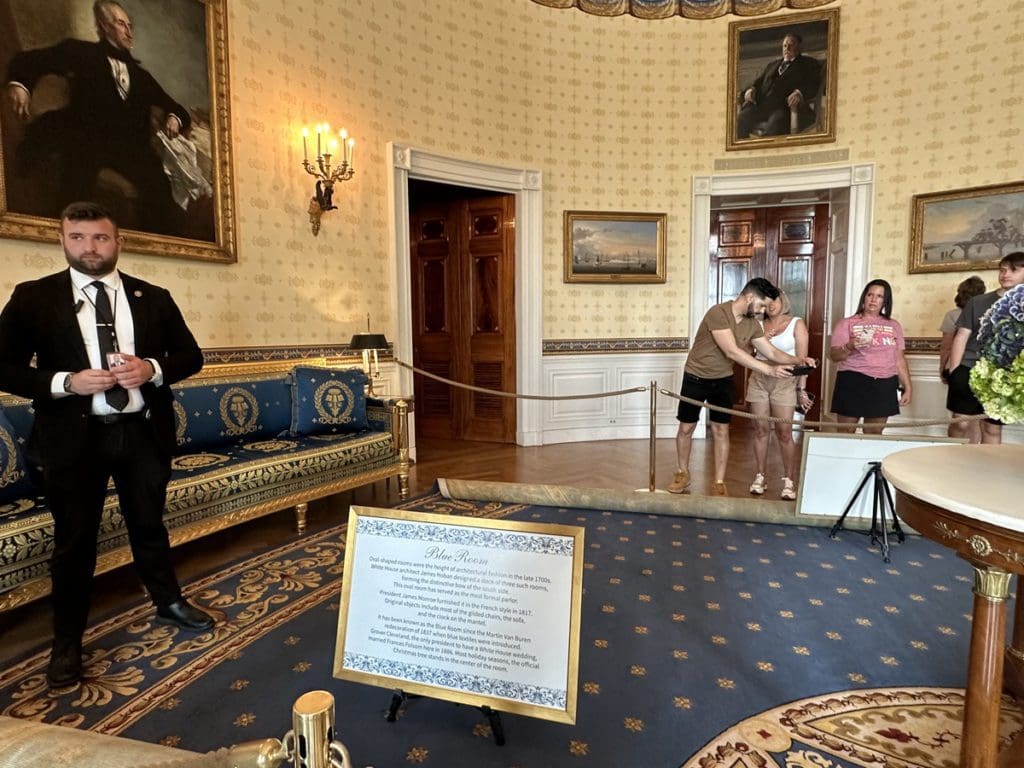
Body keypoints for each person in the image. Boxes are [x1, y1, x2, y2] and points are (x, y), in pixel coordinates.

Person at [0, 201, 214, 691]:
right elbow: (3, 365)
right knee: (75, 542)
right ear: (63, 241)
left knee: (149, 524)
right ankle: (67, 642)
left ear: (118, 242)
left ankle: (168, 600)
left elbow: (190, 356)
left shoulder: (152, 296)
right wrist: (64, 382)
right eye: (78, 238)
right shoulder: (34, 297)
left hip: (142, 432)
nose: (90, 248)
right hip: (73, 439)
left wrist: (152, 370)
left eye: (100, 238)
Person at [4, 1, 190, 236]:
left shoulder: (141, 76)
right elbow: (31, 60)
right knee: (75, 184)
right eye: (122, 24)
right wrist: (20, 85)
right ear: (104, 26)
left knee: (158, 186)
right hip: (87, 139)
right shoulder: (80, 52)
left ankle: (157, 243)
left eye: (130, 26)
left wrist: (174, 118)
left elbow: (175, 107)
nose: (129, 32)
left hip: (130, 148)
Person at [669, 278, 815, 497]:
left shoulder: (752, 324)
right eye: (762, 305)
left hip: (723, 379)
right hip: (696, 377)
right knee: (686, 428)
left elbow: (772, 353)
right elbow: (732, 352)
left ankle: (719, 481)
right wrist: (768, 370)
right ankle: (682, 473)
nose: (764, 310)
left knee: (721, 429)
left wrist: (799, 361)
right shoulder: (717, 313)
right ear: (750, 298)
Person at [945, 252, 1024, 444]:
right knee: (961, 423)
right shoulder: (977, 302)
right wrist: (955, 371)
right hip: (969, 369)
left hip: (1003, 377)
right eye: (1003, 269)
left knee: (991, 428)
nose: (1006, 274)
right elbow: (961, 336)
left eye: (1014, 269)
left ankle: (989, 470)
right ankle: (950, 461)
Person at [746, 291, 811, 501]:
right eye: (768, 301)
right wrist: (762, 340)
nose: (772, 304)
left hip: (785, 381)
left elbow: (802, 361)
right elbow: (745, 353)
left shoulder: (796, 324)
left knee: (784, 432)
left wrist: (801, 390)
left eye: (775, 299)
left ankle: (789, 480)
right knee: (760, 430)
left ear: (783, 301)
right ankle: (760, 476)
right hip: (759, 378)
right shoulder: (756, 323)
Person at [828, 279, 911, 435]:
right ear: (864, 298)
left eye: (879, 296)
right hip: (853, 380)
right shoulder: (847, 323)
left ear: (885, 301)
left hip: (885, 383)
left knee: (874, 432)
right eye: (870, 295)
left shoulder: (894, 325)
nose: (874, 299)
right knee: (846, 431)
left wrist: (908, 388)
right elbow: (834, 356)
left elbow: (899, 359)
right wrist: (849, 346)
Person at [737, 31, 823, 139]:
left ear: (800, 47)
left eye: (791, 45)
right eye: (785, 46)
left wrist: (799, 93)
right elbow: (758, 82)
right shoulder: (772, 65)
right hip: (761, 106)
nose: (787, 48)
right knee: (739, 121)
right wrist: (751, 89)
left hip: (785, 108)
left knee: (774, 128)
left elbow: (814, 83)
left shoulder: (808, 64)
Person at [939, 275, 985, 441]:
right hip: (983, 369)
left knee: (962, 417)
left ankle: (956, 448)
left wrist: (943, 368)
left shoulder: (952, 315)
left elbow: (946, 346)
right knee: (977, 417)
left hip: (960, 367)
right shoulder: (988, 311)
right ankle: (973, 450)